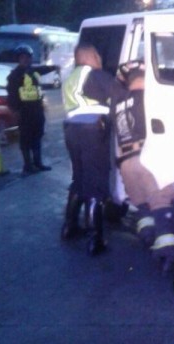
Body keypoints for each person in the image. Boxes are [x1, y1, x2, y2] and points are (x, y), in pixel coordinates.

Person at [111, 60, 174, 277]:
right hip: (149, 159)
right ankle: (168, 256)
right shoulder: (153, 99)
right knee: (163, 204)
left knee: (144, 208)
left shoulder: (118, 101)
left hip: (127, 162)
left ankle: (148, 239)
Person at [60, 43, 117, 255]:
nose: (100, 60)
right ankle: (96, 239)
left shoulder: (71, 78)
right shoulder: (95, 75)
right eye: (98, 55)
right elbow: (120, 94)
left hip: (72, 132)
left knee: (80, 177)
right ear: (90, 56)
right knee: (96, 182)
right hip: (92, 131)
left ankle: (70, 227)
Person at [6, 44, 57, 175]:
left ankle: (38, 163)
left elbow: (44, 69)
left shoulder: (33, 71)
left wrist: (56, 67)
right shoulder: (14, 75)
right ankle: (28, 165)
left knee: (37, 136)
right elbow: (12, 95)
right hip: (24, 111)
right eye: (22, 57)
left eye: (27, 57)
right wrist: (16, 111)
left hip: (37, 109)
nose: (25, 60)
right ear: (18, 59)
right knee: (25, 139)